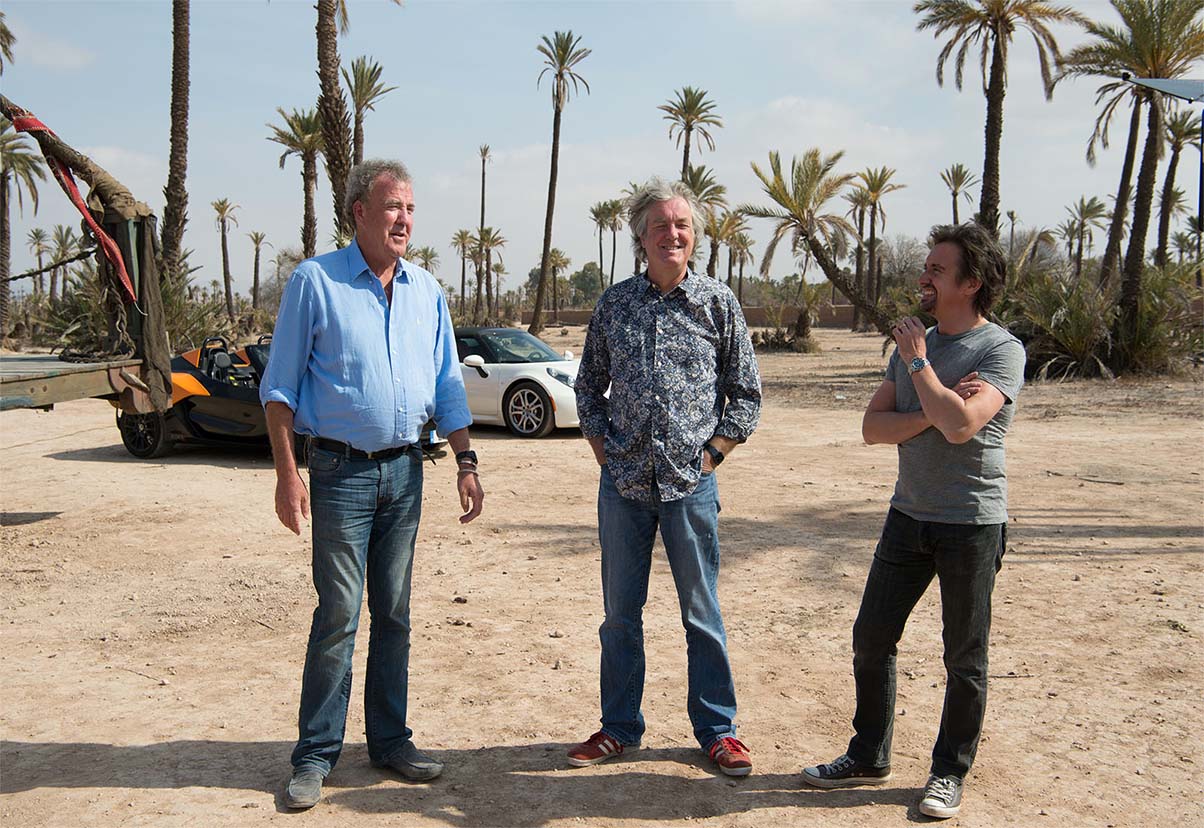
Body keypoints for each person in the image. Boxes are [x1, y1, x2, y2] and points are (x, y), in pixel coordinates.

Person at [259, 159, 484, 810]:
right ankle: (314, 756)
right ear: (359, 211)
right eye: (392, 207)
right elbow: (279, 389)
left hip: (406, 472)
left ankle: (389, 742)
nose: (404, 220)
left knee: (394, 614)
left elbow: (447, 385)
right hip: (340, 473)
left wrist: (466, 462)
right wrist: (286, 475)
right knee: (338, 615)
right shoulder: (315, 282)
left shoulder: (426, 290)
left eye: (410, 209)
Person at [802, 222, 1025, 819]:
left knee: (964, 657)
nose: (922, 277)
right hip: (907, 516)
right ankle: (868, 754)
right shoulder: (911, 346)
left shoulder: (1000, 350)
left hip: (970, 523)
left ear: (971, 284)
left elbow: (963, 426)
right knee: (872, 638)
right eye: (925, 267)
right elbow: (873, 428)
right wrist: (936, 401)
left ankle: (949, 772)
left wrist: (922, 370)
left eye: (936, 270)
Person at [569, 177, 762, 777]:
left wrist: (714, 455)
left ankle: (718, 731)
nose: (672, 234)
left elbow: (746, 393)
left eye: (681, 225)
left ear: (694, 236)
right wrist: (604, 453)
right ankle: (619, 727)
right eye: (660, 226)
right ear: (641, 238)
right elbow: (587, 387)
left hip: (690, 488)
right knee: (619, 618)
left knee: (701, 614)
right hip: (623, 488)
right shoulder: (615, 304)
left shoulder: (717, 304)